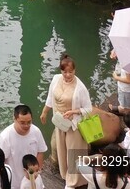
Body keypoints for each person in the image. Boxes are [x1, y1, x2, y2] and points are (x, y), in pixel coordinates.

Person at [40, 55, 92, 189]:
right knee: (62, 149)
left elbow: (88, 109)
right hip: (60, 122)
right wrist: (45, 112)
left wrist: (73, 112)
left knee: (73, 152)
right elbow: (50, 97)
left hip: (73, 125)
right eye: (65, 72)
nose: (68, 75)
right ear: (61, 71)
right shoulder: (56, 79)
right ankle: (65, 174)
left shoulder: (80, 88)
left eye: (71, 72)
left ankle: (74, 180)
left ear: (75, 70)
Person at [0, 104, 46, 174]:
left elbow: (40, 151)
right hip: (14, 181)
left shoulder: (36, 131)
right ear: (14, 119)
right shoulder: (5, 137)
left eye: (29, 122)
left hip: (33, 177)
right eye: (22, 123)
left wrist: (37, 172)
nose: (26, 126)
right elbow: (1, 162)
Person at [110, 49, 130, 114]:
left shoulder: (127, 63)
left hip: (128, 90)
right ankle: (123, 108)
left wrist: (116, 77)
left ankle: (124, 112)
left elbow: (129, 80)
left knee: (128, 106)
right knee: (127, 102)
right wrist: (115, 51)